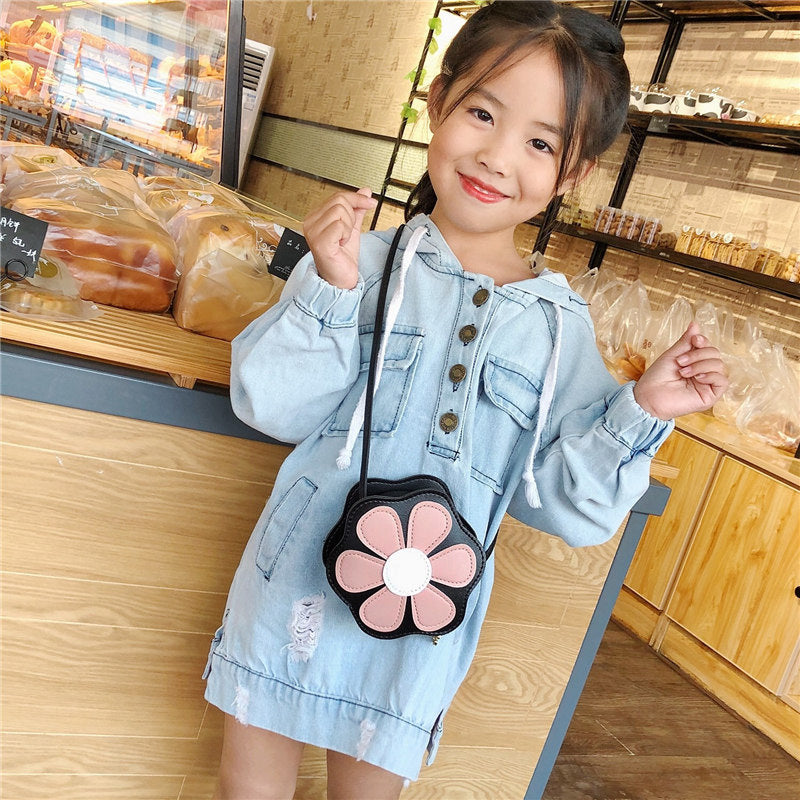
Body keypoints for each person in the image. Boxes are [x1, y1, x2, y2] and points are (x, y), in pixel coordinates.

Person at [204, 2, 727, 798]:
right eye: (482, 111)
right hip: (294, 585)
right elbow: (269, 407)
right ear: (438, 100)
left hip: (423, 621)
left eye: (540, 142)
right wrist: (333, 293)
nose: (496, 155)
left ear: (572, 174)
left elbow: (564, 508)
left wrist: (641, 409)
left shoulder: (559, 330)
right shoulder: (359, 261)